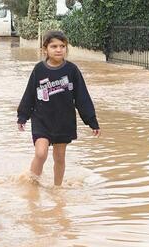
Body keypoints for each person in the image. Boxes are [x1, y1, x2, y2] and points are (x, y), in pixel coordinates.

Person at [17, 30, 101, 186]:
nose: (58, 49)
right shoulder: (39, 70)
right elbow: (29, 94)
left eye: (62, 46)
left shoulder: (72, 70)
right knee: (41, 154)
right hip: (41, 119)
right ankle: (32, 185)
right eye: (54, 46)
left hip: (64, 121)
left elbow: (82, 97)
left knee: (60, 157)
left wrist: (92, 121)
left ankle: (57, 188)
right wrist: (23, 116)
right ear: (45, 49)